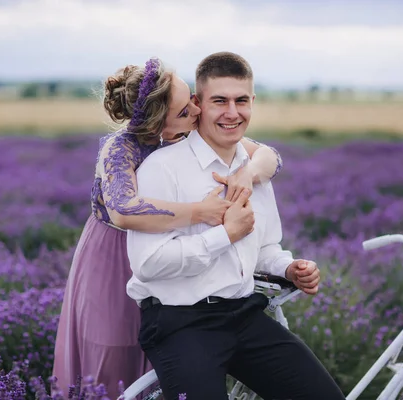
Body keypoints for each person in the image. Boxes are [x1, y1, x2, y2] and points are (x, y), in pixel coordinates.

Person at [52, 57, 284, 397]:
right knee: (115, 350)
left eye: (192, 96)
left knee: (169, 358)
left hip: (172, 252)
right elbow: (123, 210)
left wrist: (246, 173)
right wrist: (200, 212)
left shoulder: (183, 132)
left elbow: (269, 156)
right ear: (155, 123)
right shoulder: (122, 147)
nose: (196, 109)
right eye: (184, 109)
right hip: (115, 257)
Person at [127, 52, 344, 400]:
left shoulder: (252, 168)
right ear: (197, 104)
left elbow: (266, 247)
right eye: (219, 101)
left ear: (252, 102)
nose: (232, 112)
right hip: (179, 322)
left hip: (243, 314)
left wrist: (288, 267)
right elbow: (148, 264)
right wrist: (224, 235)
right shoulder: (162, 169)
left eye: (241, 100)